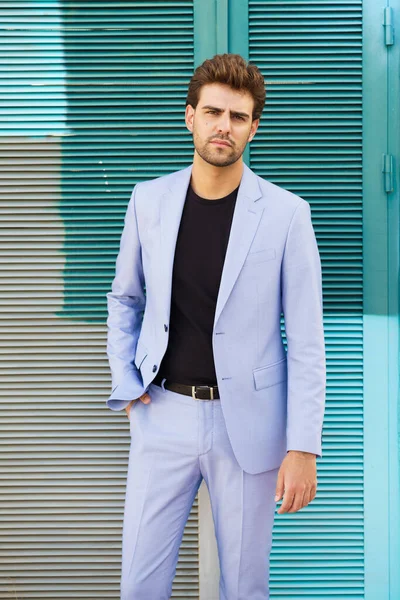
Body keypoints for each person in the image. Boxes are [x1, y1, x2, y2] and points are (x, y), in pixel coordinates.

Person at [106, 53, 326, 600]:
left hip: (248, 426)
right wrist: (128, 384)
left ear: (254, 127)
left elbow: (306, 341)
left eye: (237, 116)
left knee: (245, 587)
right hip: (163, 415)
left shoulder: (287, 214)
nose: (223, 126)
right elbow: (124, 299)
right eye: (213, 112)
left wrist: (303, 448)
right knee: (139, 583)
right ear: (191, 117)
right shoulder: (148, 200)